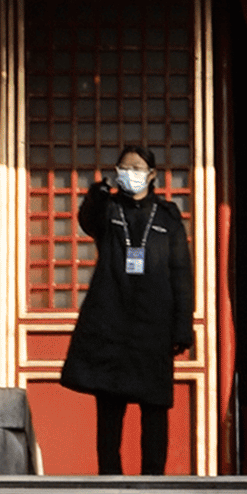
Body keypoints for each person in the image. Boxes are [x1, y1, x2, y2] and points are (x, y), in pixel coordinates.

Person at [62, 144, 191, 475]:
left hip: (154, 324)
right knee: (108, 410)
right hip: (111, 320)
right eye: (123, 168)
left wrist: (182, 327)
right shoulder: (107, 210)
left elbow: (181, 274)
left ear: (151, 175)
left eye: (136, 168)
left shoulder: (167, 217)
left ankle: (154, 484)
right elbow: (87, 221)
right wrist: (97, 193)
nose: (129, 174)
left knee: (155, 407)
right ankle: (109, 483)